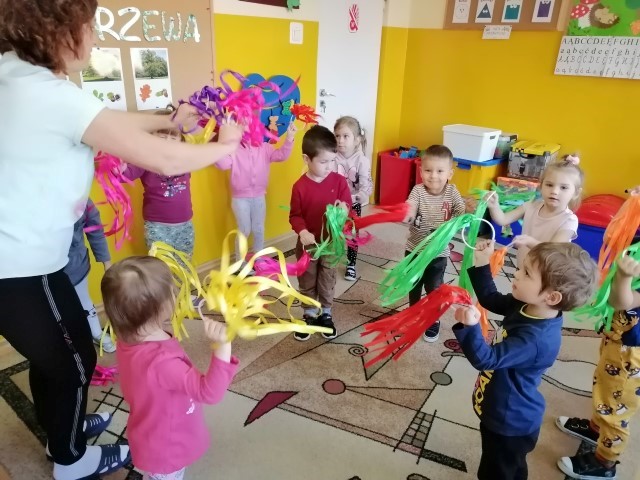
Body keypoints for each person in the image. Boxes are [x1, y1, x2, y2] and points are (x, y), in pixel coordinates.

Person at [0, 2, 242, 478]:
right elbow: (164, 160)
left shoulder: (18, 75)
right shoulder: (46, 94)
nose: (93, 37)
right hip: (20, 264)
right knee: (74, 360)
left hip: (28, 258)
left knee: (57, 356)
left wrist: (169, 120)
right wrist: (227, 143)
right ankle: (70, 460)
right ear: (58, 31)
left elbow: (103, 120)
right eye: (88, 26)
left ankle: (62, 430)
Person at [453, 240, 598, 480]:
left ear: (551, 297)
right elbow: (491, 299)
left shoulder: (535, 340)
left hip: (509, 420)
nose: (516, 273)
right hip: (502, 407)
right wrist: (482, 263)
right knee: (511, 468)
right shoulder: (529, 305)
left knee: (496, 472)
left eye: (527, 273)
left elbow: (486, 359)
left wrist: (470, 327)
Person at [102, 256, 238, 480]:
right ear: (162, 307)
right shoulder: (163, 363)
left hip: (151, 429)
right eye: (172, 291)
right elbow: (209, 393)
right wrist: (223, 348)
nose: (176, 294)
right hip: (167, 447)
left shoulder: (126, 336)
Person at [556, 186, 640, 480]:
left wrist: (624, 277)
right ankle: (595, 429)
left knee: (617, 405)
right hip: (618, 339)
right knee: (604, 385)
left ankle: (605, 462)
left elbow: (622, 301)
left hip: (632, 352)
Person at [289, 125, 351, 341]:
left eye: (332, 161)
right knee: (307, 279)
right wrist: (302, 231)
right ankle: (309, 314)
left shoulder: (339, 181)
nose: (329, 167)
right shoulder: (299, 187)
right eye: (323, 162)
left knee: (327, 278)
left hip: (332, 243)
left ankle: (325, 313)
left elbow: (347, 205)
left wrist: (344, 210)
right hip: (308, 245)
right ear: (306, 159)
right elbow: (295, 216)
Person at [404, 145, 466, 342]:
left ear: (450, 173)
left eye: (440, 171)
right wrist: (407, 214)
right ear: (421, 171)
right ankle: (414, 312)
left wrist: (465, 215)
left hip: (438, 253)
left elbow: (461, 210)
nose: (433, 176)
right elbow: (411, 205)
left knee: (434, 288)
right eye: (428, 170)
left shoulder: (452, 192)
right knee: (413, 286)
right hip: (414, 250)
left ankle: (433, 319)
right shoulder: (418, 191)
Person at [216, 121, 297, 264]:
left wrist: (289, 138)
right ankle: (240, 263)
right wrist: (219, 145)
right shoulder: (234, 149)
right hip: (240, 199)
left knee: (259, 229)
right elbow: (223, 164)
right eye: (245, 129)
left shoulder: (265, 148)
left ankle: (258, 258)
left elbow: (282, 155)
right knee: (244, 230)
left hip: (259, 196)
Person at [122, 109, 195, 258]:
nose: (167, 141)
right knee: (159, 265)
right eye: (162, 136)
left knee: (184, 262)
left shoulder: (185, 159)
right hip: (157, 225)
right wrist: (120, 167)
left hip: (185, 223)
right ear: (150, 138)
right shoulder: (146, 160)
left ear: (180, 139)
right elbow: (125, 176)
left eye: (173, 137)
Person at [487, 154, 583, 268]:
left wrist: (529, 242)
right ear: (541, 186)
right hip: (523, 268)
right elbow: (502, 219)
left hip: (545, 274)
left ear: (576, 193)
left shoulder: (569, 220)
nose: (555, 191)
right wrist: (494, 206)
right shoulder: (531, 206)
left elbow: (553, 252)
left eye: (564, 187)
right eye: (549, 185)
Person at [64, 198, 115, 353]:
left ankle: (96, 333)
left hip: (77, 266)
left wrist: (107, 263)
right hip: (46, 272)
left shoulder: (81, 198)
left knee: (85, 301)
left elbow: (95, 229)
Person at [333, 116, 373, 281]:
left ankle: (351, 264)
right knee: (333, 232)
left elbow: (366, 186)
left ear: (357, 140)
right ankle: (329, 260)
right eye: (337, 136)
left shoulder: (362, 161)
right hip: (334, 205)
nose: (340, 140)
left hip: (353, 204)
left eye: (345, 136)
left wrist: (356, 198)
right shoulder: (332, 157)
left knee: (352, 234)